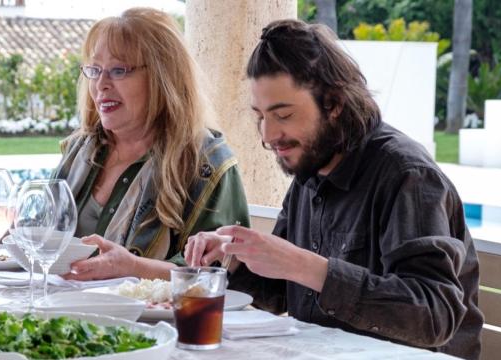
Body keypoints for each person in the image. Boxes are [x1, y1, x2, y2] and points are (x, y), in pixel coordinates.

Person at [185, 19, 483, 359]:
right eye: (261, 116)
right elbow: (283, 293)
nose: (267, 135)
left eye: (283, 115)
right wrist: (235, 259)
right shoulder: (312, 167)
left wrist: (306, 266)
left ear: (334, 103)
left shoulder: (406, 175)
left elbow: (433, 316)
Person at [0, 7, 250, 281]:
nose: (101, 85)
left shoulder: (205, 163)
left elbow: (215, 277)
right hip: (69, 309)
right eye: (94, 70)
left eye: (118, 71)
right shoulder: (85, 150)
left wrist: (133, 267)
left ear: (163, 79)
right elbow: (43, 233)